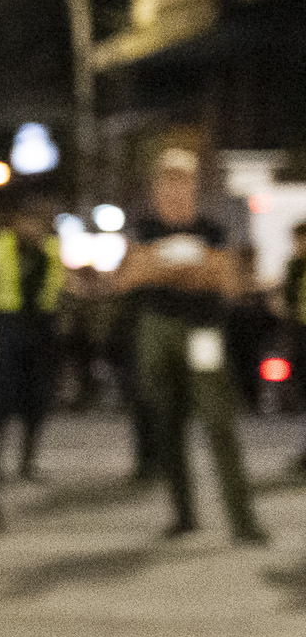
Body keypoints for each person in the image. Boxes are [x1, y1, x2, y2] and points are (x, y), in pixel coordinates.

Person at [114, 148, 267, 543]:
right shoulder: (143, 229)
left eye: (182, 181)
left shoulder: (211, 229)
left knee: (219, 423)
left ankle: (243, 522)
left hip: (203, 330)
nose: (174, 189)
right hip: (157, 328)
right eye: (167, 181)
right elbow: (127, 276)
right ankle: (183, 515)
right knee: (167, 421)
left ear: (194, 186)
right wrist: (181, 268)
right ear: (156, 187)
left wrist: (165, 269)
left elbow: (226, 281)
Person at [0, 193, 65, 482]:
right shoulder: (0, 246)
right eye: (27, 222)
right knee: (1, 397)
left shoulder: (53, 250)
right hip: (7, 326)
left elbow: (62, 285)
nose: (32, 228)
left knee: (37, 399)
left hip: (42, 328)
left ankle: (27, 463)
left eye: (38, 222)